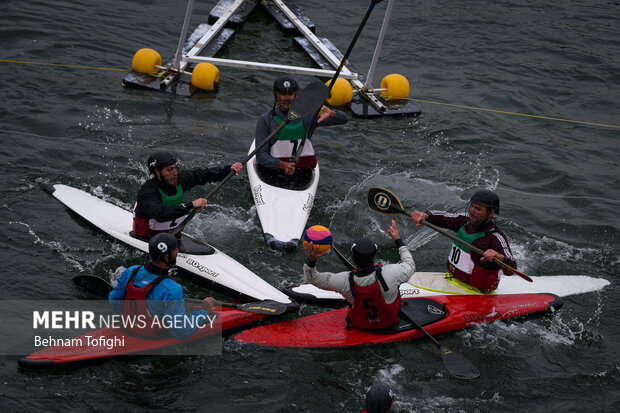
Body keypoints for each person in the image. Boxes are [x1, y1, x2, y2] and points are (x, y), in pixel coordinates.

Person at [303, 220, 416, 330]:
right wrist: (398, 241)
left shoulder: (344, 281)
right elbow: (410, 265)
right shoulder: (392, 273)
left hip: (360, 327)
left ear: (352, 258)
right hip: (391, 323)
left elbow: (314, 279)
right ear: (375, 256)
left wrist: (311, 261)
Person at [109, 233, 216, 339]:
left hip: (128, 328)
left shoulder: (131, 271)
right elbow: (181, 332)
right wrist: (204, 312)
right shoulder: (172, 289)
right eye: (175, 250)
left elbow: (113, 301)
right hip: (153, 336)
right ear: (166, 257)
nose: (177, 251)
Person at [410, 189, 516, 292]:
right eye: (472, 206)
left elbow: (512, 267)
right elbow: (443, 217)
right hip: (451, 279)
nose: (472, 211)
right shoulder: (464, 222)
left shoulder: (495, 237)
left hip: (476, 293)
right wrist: (426, 215)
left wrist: (499, 257)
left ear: (491, 213)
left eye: (478, 209)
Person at [255, 75, 348, 182]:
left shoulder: (308, 117)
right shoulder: (266, 120)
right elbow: (261, 155)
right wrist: (282, 165)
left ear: (296, 95)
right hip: (272, 171)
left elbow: (344, 119)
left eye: (290, 94)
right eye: (283, 95)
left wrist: (331, 113)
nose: (287, 98)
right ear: (276, 96)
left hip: (300, 171)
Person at [132, 151, 243, 239]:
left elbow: (203, 175)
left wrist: (228, 170)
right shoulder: (147, 192)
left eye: (175, 168)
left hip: (172, 236)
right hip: (146, 238)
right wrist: (191, 205)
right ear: (157, 172)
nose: (175, 173)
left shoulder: (179, 179)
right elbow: (161, 214)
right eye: (169, 170)